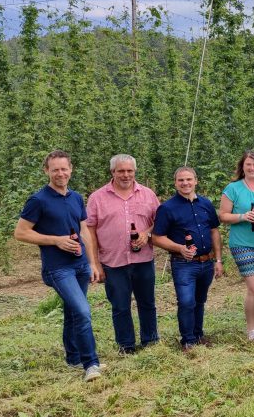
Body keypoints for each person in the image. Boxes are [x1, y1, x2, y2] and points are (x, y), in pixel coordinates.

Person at [14, 150, 103, 382]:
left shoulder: (75, 197)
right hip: (58, 268)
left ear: (71, 169)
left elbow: (84, 230)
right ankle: (91, 364)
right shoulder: (38, 200)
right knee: (83, 312)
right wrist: (56, 240)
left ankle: (73, 357)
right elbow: (20, 233)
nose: (60, 173)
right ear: (47, 171)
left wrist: (92, 262)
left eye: (64, 169)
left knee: (74, 312)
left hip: (81, 264)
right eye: (55, 170)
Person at [85, 154, 160, 355]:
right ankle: (126, 346)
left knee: (147, 303)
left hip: (143, 259)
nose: (126, 175)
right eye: (121, 171)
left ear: (135, 172)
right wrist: (95, 263)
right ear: (112, 172)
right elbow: (89, 230)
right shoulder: (97, 198)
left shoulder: (148, 194)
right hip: (113, 261)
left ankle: (151, 342)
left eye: (129, 171)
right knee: (120, 306)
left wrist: (148, 233)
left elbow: (160, 222)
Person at [152, 166, 223, 350]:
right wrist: (179, 248)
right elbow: (157, 237)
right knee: (186, 302)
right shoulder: (167, 208)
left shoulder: (206, 204)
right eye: (181, 180)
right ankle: (188, 341)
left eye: (189, 179)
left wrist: (218, 260)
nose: (185, 183)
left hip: (206, 262)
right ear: (175, 183)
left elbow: (214, 231)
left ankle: (199, 335)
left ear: (196, 181)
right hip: (184, 264)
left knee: (200, 300)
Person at [220, 150, 254, 343]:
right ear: (242, 167)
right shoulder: (233, 188)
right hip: (243, 244)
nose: (252, 168)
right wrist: (242, 216)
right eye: (248, 164)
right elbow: (223, 216)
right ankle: (251, 329)